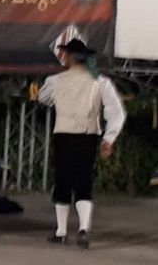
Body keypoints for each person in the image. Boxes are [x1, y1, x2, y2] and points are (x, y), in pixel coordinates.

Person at [38, 38, 126, 249]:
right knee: (83, 180)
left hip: (64, 134)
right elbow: (116, 111)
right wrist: (109, 138)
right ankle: (83, 228)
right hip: (88, 135)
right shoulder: (100, 82)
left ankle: (61, 231)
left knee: (63, 180)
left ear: (69, 57)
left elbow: (43, 98)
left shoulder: (55, 80)